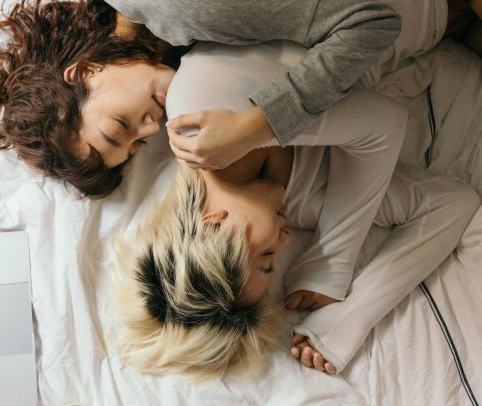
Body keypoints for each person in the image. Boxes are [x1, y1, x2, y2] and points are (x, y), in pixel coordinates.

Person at [112, 41, 481, 379]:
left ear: (213, 226)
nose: (286, 241)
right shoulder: (303, 203)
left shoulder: (194, 113)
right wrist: (349, 318)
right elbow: (453, 204)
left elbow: (382, 123)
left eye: (266, 257)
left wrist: (334, 256)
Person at [0, 0, 407, 194]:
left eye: (119, 126)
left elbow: (373, 22)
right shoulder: (164, 35)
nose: (154, 126)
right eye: (137, 143)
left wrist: (259, 125)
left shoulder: (181, 10)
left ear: (85, 71)